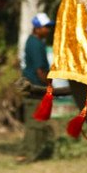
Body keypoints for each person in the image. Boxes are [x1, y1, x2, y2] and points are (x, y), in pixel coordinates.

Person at [18, 13, 54, 164]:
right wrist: (49, 86)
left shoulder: (33, 41)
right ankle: (29, 154)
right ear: (37, 28)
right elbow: (40, 70)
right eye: (45, 27)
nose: (48, 30)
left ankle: (26, 153)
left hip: (33, 86)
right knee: (35, 123)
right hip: (36, 87)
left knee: (33, 121)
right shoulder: (36, 44)